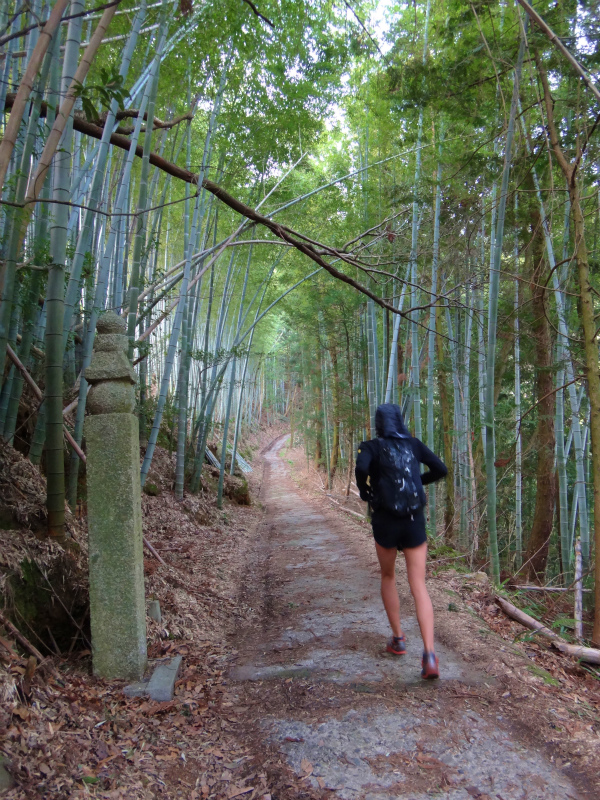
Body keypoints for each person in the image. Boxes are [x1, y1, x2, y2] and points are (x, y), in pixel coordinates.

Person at [355, 403, 447, 679]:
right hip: (413, 521)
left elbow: (361, 468)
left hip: (385, 519)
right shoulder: (413, 444)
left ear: (379, 423)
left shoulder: (370, 446)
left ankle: (399, 639)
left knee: (388, 576)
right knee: (418, 584)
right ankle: (430, 655)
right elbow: (441, 469)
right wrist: (416, 481)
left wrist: (365, 491)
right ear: (400, 421)